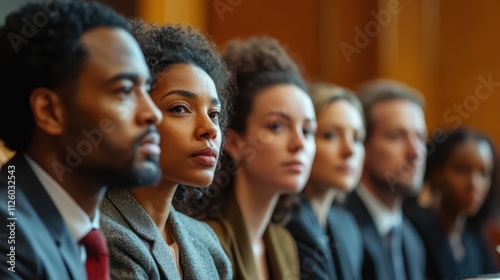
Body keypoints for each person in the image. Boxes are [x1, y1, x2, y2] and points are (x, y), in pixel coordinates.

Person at [0, 1, 162, 279]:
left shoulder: (82, 232)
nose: (153, 113)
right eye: (124, 90)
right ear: (50, 112)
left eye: (146, 88)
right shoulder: (8, 238)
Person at [100, 19, 233, 279]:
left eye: (214, 113)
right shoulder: (106, 237)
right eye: (179, 108)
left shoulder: (208, 243)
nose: (210, 129)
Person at [194, 37, 316, 280]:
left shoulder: (284, 242)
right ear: (235, 143)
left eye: (307, 130)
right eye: (276, 126)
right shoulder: (204, 243)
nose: (299, 143)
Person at [343, 79, 427, 280]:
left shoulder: (411, 239)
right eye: (396, 136)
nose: (415, 152)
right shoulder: (339, 229)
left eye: (421, 137)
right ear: (362, 144)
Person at [286, 83, 365, 280]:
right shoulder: (285, 221)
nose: (349, 150)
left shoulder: (347, 225)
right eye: (330, 135)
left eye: (357, 138)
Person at [404, 128, 499, 279]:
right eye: (462, 170)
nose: (474, 184)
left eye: (484, 173)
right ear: (437, 173)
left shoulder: (475, 237)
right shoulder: (414, 228)